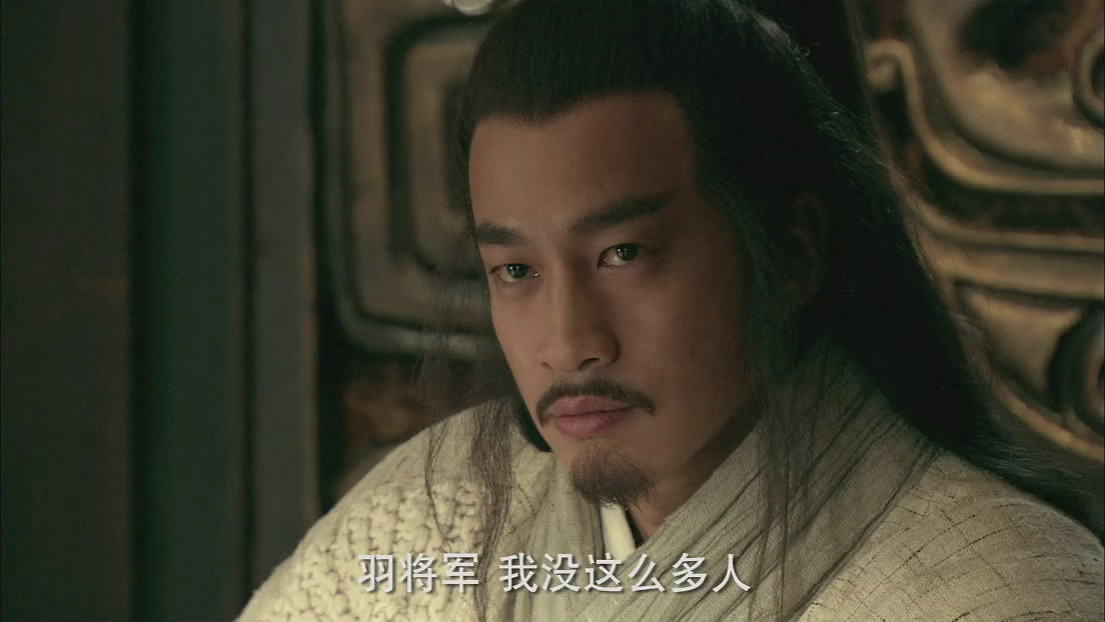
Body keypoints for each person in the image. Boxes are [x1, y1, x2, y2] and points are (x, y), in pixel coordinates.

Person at [238, 0, 1104, 620]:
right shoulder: (437, 510)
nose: (568, 343)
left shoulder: (998, 591)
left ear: (792, 253)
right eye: (515, 270)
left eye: (624, 254)